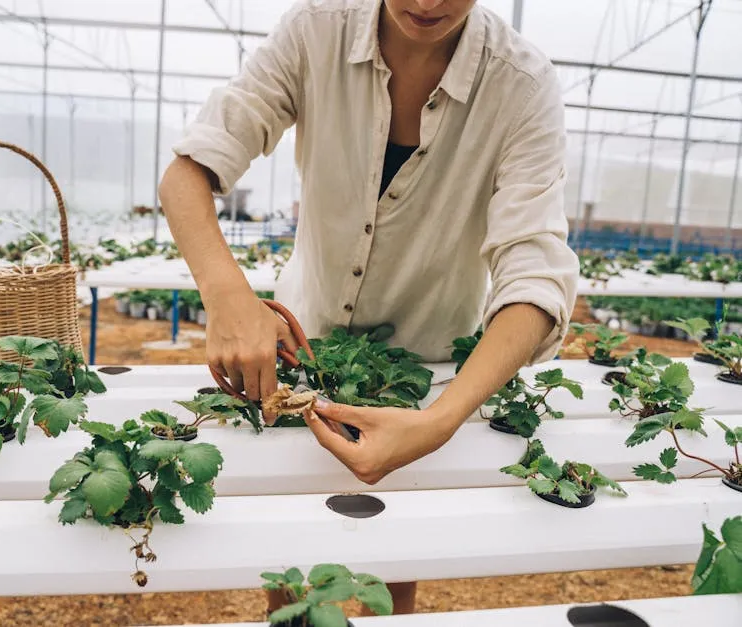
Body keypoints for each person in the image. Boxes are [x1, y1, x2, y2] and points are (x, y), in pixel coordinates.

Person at [158, 0, 578, 615]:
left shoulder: (521, 84)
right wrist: (230, 297)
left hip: (424, 377)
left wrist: (442, 419)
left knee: (393, 546)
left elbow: (535, 272)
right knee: (287, 529)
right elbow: (187, 172)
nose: (427, 3)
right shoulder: (315, 33)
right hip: (302, 348)